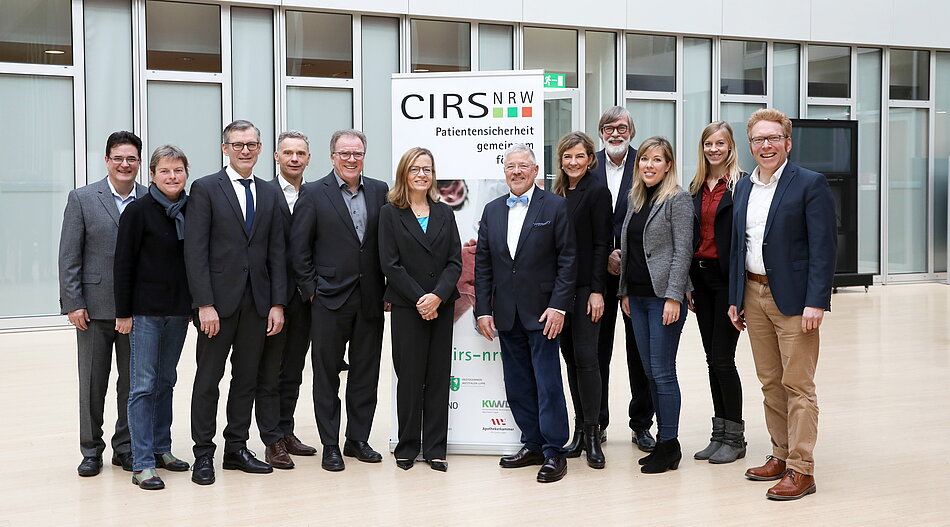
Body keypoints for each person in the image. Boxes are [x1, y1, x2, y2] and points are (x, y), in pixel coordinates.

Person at [728, 109, 836, 501]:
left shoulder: (809, 183)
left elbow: (823, 246)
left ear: (787, 143)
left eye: (773, 138)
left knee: (798, 385)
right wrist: (735, 298)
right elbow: (739, 246)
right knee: (770, 382)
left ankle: (801, 469)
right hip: (752, 295)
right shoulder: (743, 187)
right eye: (759, 139)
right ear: (750, 145)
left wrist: (816, 301)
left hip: (794, 300)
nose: (766, 145)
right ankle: (780, 453)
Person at [185, 120, 287, 485]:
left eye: (251, 144)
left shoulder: (269, 192)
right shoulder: (205, 188)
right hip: (217, 306)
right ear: (225, 148)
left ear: (260, 149)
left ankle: (236, 449)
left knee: (246, 380)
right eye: (238, 144)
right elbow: (195, 251)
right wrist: (204, 304)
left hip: (258, 304)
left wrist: (277, 303)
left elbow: (277, 251)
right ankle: (203, 454)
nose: (245, 150)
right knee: (208, 380)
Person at [474, 144, 576, 484]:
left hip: (544, 312)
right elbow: (483, 264)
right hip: (506, 313)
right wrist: (483, 310)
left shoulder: (555, 206)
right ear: (504, 172)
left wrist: (558, 306)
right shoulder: (491, 211)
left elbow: (568, 260)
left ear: (535, 171)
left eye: (523, 166)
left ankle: (554, 451)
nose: (516, 172)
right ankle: (532, 444)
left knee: (548, 384)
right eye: (510, 167)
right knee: (517, 384)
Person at [291, 129, 389, 472]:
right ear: (332, 156)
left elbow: (386, 244)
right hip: (328, 299)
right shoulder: (313, 192)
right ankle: (330, 444)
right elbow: (299, 249)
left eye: (357, 153)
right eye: (344, 153)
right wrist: (312, 291)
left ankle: (357, 439)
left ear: (364, 156)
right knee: (327, 375)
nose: (351, 159)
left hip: (370, 298)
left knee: (366, 373)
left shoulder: (379, 190)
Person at [59, 131, 147, 476]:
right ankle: (91, 450)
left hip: (137, 311)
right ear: (107, 160)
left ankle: (125, 447)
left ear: (139, 162)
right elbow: (69, 255)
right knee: (93, 384)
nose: (125, 164)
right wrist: (73, 302)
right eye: (118, 158)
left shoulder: (149, 197)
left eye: (131, 159)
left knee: (132, 384)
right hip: (93, 309)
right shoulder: (82, 198)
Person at [113, 145, 193, 490]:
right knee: (143, 385)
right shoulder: (138, 211)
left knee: (166, 381)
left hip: (178, 311)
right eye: (165, 171)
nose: (172, 177)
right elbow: (123, 264)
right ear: (152, 175)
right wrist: (123, 313)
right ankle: (142, 462)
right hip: (144, 312)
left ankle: (162, 448)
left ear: (186, 173)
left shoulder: (192, 208)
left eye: (178, 170)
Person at [379, 147, 462, 472]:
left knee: (438, 377)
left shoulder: (444, 212)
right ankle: (407, 446)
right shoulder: (390, 213)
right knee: (410, 378)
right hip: (407, 306)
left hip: (442, 305)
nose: (421, 175)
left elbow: (454, 261)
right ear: (404, 173)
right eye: (415, 169)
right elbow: (390, 264)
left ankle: (436, 449)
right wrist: (420, 299)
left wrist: (437, 296)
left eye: (427, 169)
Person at [618, 136, 693, 474]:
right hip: (637, 298)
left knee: (663, 372)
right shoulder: (635, 198)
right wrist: (624, 292)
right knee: (649, 372)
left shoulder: (677, 199)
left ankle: (669, 443)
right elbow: (630, 250)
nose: (649, 165)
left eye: (657, 159)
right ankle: (664, 443)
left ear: (668, 165)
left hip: (664, 298)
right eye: (645, 159)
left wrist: (674, 296)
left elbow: (683, 251)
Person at [589, 106, 656, 452]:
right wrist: (604, 257)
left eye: (621, 127)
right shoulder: (589, 164)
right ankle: (596, 422)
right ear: (601, 132)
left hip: (638, 273)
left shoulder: (645, 163)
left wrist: (625, 257)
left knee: (640, 352)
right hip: (597, 276)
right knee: (597, 351)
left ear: (631, 130)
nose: (615, 134)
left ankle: (641, 424)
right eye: (608, 128)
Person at [254, 131, 317, 470]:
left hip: (305, 298)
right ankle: (271, 440)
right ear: (276, 157)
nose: (294, 158)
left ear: (308, 158)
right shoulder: (262, 193)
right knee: (270, 371)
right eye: (288, 153)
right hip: (270, 298)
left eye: (300, 153)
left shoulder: (317, 194)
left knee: (293, 369)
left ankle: (286, 430)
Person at [551, 132, 612, 469]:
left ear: (590, 159)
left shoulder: (597, 191)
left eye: (579, 156)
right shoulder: (557, 192)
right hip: (561, 291)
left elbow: (603, 243)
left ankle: (592, 433)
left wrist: (598, 291)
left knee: (588, 360)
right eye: (567, 156)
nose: (573, 162)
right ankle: (578, 430)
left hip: (587, 290)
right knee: (571, 361)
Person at [687, 122, 747, 464]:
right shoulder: (696, 186)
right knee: (712, 359)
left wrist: (740, 294)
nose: (714, 149)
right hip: (702, 279)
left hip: (727, 282)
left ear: (730, 147)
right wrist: (689, 284)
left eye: (720, 143)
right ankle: (720, 434)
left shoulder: (742, 185)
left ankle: (735, 438)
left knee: (724, 359)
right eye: (708, 143)